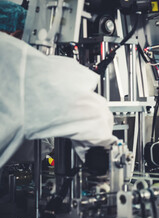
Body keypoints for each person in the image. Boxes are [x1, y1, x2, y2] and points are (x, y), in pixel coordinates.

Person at [0, 1, 118, 168]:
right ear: (18, 34)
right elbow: (93, 116)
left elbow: (21, 143)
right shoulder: (12, 56)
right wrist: (105, 173)